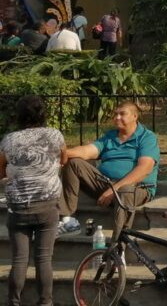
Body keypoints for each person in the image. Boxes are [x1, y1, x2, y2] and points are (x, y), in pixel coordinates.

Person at [57, 101, 159, 240]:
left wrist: (114, 189)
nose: (117, 117)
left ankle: (118, 246)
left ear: (135, 116)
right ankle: (68, 221)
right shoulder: (110, 136)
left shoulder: (147, 137)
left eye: (122, 114)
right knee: (74, 162)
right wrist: (63, 153)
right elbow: (88, 151)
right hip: (106, 184)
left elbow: (144, 169)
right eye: (115, 114)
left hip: (137, 189)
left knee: (126, 190)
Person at [0, 96, 66, 306]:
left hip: (19, 208)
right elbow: (64, 159)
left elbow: (1, 167)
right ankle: (45, 302)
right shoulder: (55, 135)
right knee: (44, 259)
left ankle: (13, 302)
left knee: (19, 260)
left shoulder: (9, 140)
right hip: (47, 206)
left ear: (18, 116)